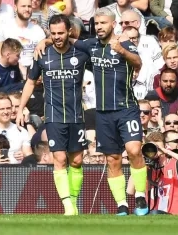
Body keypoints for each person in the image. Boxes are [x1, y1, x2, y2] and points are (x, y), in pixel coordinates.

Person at [34, 7, 147, 216]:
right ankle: (121, 203)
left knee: (133, 151)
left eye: (103, 23)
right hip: (103, 112)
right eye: (96, 23)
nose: (99, 27)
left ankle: (140, 194)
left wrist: (123, 52)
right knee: (112, 158)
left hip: (126, 108)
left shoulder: (125, 43)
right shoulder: (91, 46)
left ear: (113, 24)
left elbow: (138, 62)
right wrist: (45, 41)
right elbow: (65, 40)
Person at [17, 15, 88, 216]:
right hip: (54, 116)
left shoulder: (81, 53)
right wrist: (21, 107)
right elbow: (30, 82)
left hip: (76, 115)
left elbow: (96, 46)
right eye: (53, 33)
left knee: (76, 161)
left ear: (69, 32)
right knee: (59, 159)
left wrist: (46, 40)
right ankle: (68, 207)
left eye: (60, 33)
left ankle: (73, 203)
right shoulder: (42, 55)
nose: (57, 37)